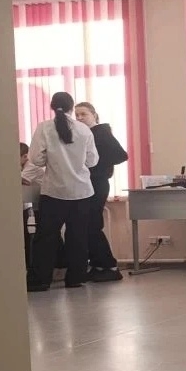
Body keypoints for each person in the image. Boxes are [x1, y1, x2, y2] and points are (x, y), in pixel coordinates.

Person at [26, 91, 98, 292]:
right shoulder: (84, 130)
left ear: (52, 106)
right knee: (78, 236)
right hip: (82, 192)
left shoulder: (44, 128)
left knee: (46, 238)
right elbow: (93, 161)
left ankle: (40, 280)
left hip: (54, 192)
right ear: (71, 107)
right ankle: (75, 278)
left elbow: (36, 159)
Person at [74, 102, 129, 282]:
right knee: (89, 225)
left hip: (97, 183)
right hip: (88, 184)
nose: (80, 118)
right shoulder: (84, 134)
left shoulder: (101, 132)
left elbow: (121, 155)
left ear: (94, 115)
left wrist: (97, 164)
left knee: (92, 225)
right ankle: (99, 265)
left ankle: (109, 265)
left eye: (83, 114)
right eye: (77, 115)